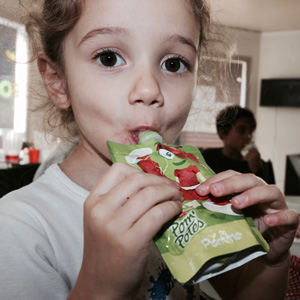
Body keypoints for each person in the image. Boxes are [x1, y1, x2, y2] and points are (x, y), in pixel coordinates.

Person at [0, 1, 298, 299]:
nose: (149, 90)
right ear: (58, 82)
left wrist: (268, 264)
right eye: (108, 58)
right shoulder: (18, 228)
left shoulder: (192, 193)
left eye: (173, 64)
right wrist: (101, 288)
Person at [202, 105, 276, 184]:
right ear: (223, 132)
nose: (248, 137)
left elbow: (269, 194)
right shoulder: (208, 157)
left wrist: (257, 170)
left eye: (250, 132)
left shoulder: (259, 164)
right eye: (241, 131)